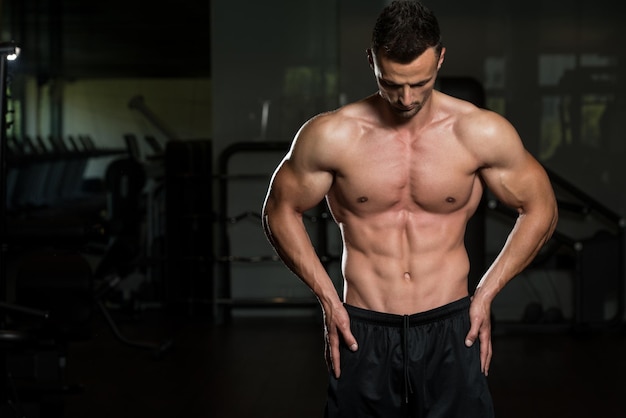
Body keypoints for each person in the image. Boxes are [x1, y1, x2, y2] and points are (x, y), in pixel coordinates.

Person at [262, 0, 558, 416]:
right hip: (362, 329)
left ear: (440, 57)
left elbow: (541, 207)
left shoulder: (478, 132)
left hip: (452, 327)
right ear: (372, 61)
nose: (405, 98)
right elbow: (279, 210)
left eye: (419, 83)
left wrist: (488, 291)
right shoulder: (332, 135)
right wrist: (328, 300)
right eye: (391, 83)